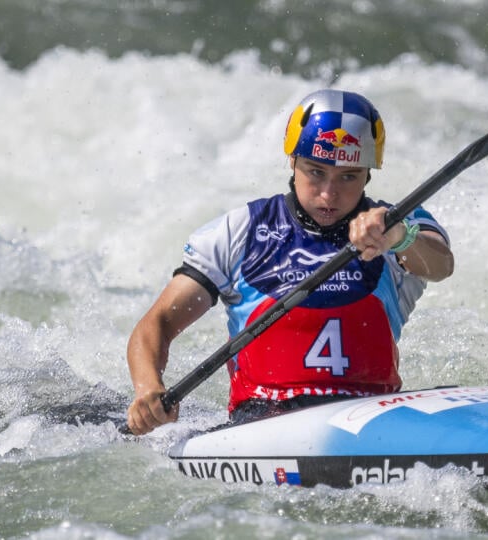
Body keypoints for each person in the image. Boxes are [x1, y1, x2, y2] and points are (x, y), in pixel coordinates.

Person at [125, 89, 454, 435]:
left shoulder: (397, 226)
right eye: (315, 172)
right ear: (293, 161)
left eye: (348, 177)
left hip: (371, 419)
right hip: (263, 422)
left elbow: (441, 266)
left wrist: (399, 236)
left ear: (368, 175)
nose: (329, 194)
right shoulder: (240, 232)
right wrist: (149, 390)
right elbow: (157, 323)